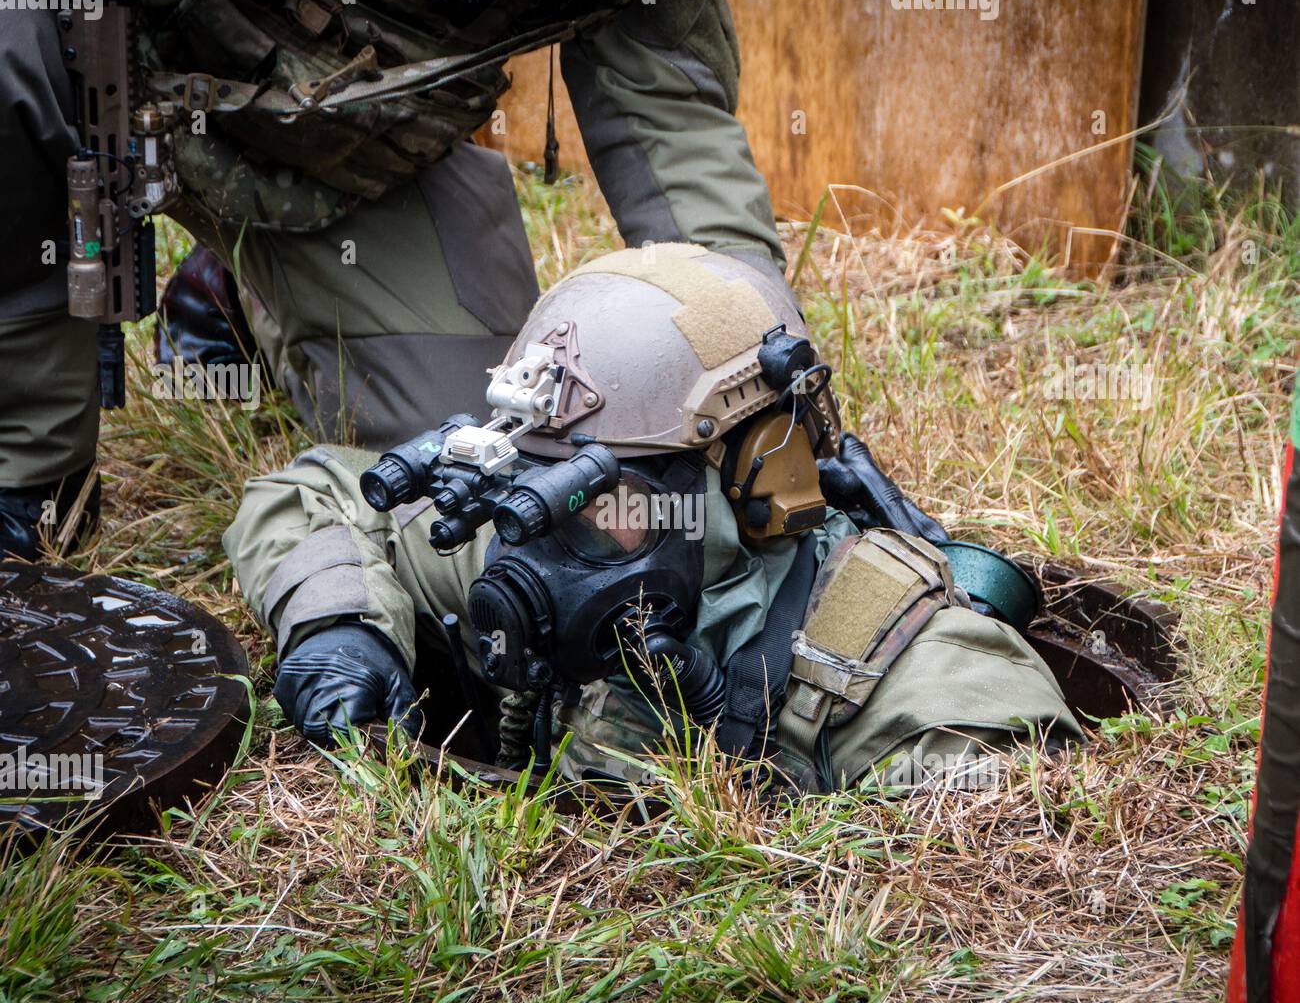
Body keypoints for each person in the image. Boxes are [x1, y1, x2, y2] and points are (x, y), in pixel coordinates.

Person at [224, 244, 1082, 792]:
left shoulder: (901, 678)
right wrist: (339, 629)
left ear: (755, 478)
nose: (551, 543)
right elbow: (315, 491)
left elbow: (1012, 857)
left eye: (601, 498)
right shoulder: (529, 531)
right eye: (540, 485)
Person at [0, 0, 783, 558]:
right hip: (89, 75)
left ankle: (239, 288)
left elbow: (668, 111)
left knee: (472, 485)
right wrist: (30, 475)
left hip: (334, 149)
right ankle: (29, 471)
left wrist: (759, 381)